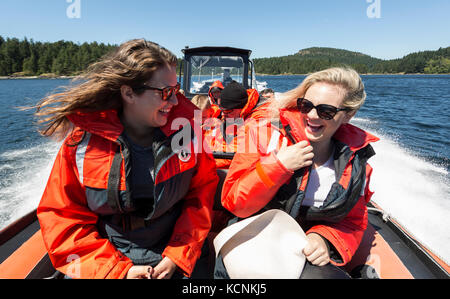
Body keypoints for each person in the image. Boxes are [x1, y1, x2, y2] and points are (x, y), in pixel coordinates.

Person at [35, 39, 219, 279]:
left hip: (176, 253)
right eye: (166, 92)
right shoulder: (81, 143)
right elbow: (63, 216)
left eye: (176, 91)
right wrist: (117, 272)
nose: (174, 101)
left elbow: (200, 197)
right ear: (129, 93)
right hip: (104, 257)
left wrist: (178, 254)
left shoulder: (188, 135)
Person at [218, 67, 379, 278]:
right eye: (306, 105)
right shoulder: (262, 132)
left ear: (348, 115)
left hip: (305, 253)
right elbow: (235, 203)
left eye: (326, 111)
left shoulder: (356, 161)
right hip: (252, 239)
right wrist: (277, 166)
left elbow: (354, 220)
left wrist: (325, 238)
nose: (312, 115)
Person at [203, 80, 269, 169]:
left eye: (227, 112)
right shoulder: (237, 115)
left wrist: (204, 160)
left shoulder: (259, 119)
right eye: (222, 111)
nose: (223, 115)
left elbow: (238, 154)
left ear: (240, 107)